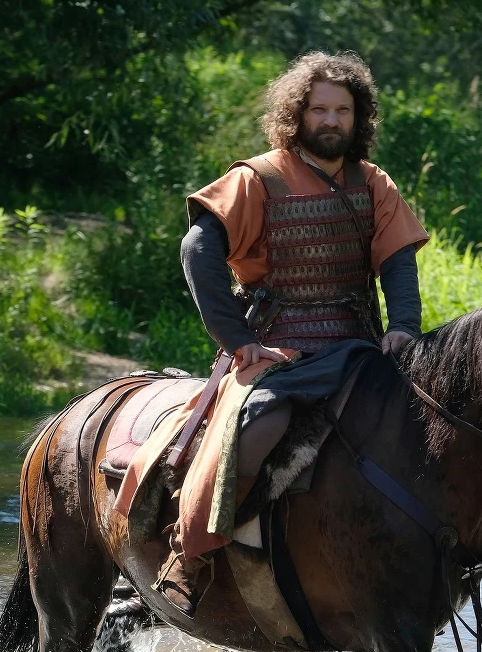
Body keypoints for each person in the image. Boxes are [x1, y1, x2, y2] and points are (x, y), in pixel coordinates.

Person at [153, 51, 429, 617]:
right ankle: (192, 555)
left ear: (360, 117)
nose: (331, 121)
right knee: (258, 427)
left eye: (343, 111)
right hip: (279, 350)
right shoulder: (258, 178)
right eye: (319, 109)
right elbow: (197, 250)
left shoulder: (372, 183)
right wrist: (237, 340)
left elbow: (399, 261)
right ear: (297, 113)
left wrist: (403, 328)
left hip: (360, 348)